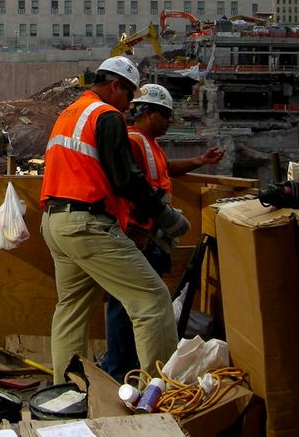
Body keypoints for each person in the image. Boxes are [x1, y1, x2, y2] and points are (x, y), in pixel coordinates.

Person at [40, 56, 189, 383]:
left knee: (71, 311)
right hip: (87, 223)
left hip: (55, 222)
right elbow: (126, 179)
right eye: (128, 96)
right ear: (115, 86)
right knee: (152, 300)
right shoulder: (106, 115)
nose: (129, 106)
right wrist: (164, 214)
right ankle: (163, 396)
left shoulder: (69, 113)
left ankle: (68, 392)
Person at [100, 83, 225, 378]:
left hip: (151, 234)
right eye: (165, 115)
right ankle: (119, 370)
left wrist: (199, 161)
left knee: (138, 302)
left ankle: (127, 366)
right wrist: (141, 226)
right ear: (147, 113)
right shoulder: (132, 141)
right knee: (126, 303)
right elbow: (129, 185)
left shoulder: (148, 144)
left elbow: (163, 168)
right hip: (137, 234)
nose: (170, 122)